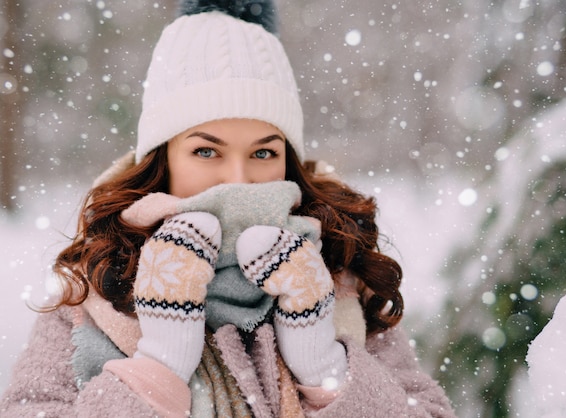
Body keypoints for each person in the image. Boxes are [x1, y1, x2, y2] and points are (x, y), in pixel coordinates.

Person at [0, 1, 456, 417]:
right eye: (206, 151)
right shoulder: (94, 288)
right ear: (163, 160)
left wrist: (325, 370)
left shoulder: (340, 276)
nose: (238, 180)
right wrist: (157, 371)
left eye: (262, 153)